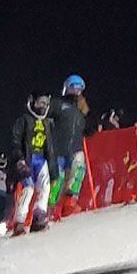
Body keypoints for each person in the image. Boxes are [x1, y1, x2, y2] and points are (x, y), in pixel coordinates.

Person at [10, 93, 56, 232]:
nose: (42, 106)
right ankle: (19, 221)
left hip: (41, 159)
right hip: (28, 159)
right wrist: (19, 158)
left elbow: (50, 145)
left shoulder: (47, 122)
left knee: (45, 187)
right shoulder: (24, 120)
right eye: (40, 103)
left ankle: (39, 217)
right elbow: (15, 139)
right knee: (28, 189)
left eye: (45, 103)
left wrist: (53, 166)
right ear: (32, 103)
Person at [50, 76, 90, 219]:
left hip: (75, 147)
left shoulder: (80, 108)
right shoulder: (58, 104)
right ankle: (51, 207)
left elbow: (86, 128)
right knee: (58, 178)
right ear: (66, 88)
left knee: (79, 167)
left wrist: (90, 122)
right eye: (73, 87)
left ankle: (70, 201)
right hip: (58, 148)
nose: (76, 91)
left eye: (79, 88)